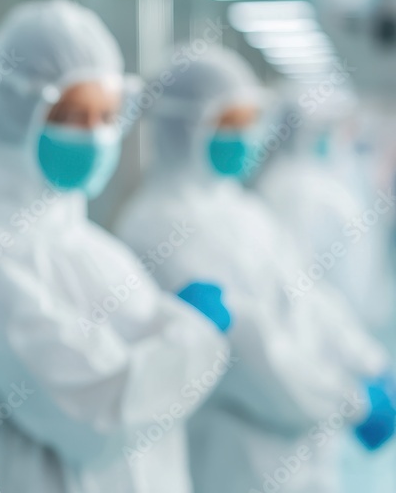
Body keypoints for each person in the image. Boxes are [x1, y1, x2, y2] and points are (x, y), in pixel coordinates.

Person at [0, 0, 232, 493]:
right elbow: (100, 417)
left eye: (106, 115)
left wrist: (176, 335)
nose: (96, 135)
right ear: (15, 113)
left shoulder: (92, 246)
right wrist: (194, 334)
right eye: (71, 115)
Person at [114, 46, 396, 493]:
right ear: (183, 125)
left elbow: (308, 296)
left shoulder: (242, 209)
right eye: (230, 122)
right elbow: (247, 355)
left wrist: (367, 362)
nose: (246, 135)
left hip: (306, 451)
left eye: (249, 120)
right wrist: (349, 401)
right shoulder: (156, 226)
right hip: (235, 461)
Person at [254, 89, 396, 493]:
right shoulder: (297, 192)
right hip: (308, 362)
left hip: (325, 353)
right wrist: (352, 394)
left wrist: (363, 359)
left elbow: (317, 299)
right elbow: (301, 298)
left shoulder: (312, 183)